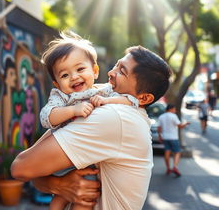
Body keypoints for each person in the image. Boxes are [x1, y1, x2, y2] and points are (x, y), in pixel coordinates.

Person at [11, 44, 172, 210]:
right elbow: (29, 169)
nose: (110, 72)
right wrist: (59, 184)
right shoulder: (128, 112)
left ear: (144, 97)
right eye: (117, 64)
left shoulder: (115, 117)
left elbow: (21, 167)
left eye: (122, 71)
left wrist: (54, 183)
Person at [39, 33, 138, 210]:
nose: (74, 77)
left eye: (80, 69)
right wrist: (72, 110)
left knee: (86, 199)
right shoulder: (60, 97)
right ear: (56, 83)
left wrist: (107, 101)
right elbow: (46, 117)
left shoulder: (103, 92)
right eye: (64, 75)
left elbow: (131, 100)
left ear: (95, 71)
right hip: (63, 159)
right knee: (58, 201)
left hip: (89, 160)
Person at [157, 104, 190, 177]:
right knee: (177, 152)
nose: (175, 111)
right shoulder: (173, 116)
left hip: (165, 137)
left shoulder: (161, 116)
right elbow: (180, 126)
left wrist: (160, 136)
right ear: (171, 109)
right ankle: (174, 167)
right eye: (174, 109)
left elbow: (159, 128)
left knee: (167, 152)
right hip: (173, 138)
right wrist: (186, 124)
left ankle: (168, 168)